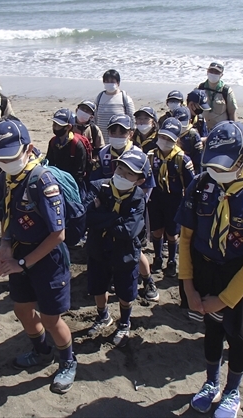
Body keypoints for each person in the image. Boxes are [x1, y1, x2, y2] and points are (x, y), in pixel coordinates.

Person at [176, 121, 243, 418]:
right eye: (212, 165)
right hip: (205, 272)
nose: (217, 172)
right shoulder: (200, 184)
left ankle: (232, 388)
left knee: (239, 337)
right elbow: (185, 237)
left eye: (224, 166)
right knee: (211, 330)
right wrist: (188, 286)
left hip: (241, 278)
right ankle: (211, 382)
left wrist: (223, 299)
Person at [0, 120, 77, 395]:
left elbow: (58, 234)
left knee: (51, 319)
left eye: (11, 156)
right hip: (18, 251)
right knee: (22, 309)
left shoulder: (42, 181)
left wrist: (23, 263)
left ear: (28, 149)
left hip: (47, 257)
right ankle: (41, 350)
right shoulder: (6, 177)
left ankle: (68, 361)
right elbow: (6, 214)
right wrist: (5, 242)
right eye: (0, 158)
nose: (5, 162)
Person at [90, 114, 158, 302]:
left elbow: (148, 184)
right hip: (108, 204)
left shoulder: (138, 155)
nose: (117, 134)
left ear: (130, 133)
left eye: (122, 131)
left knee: (135, 248)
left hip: (131, 204)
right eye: (113, 131)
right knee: (110, 246)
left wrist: (135, 201)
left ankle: (148, 279)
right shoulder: (104, 153)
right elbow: (97, 182)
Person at [85, 149, 149, 347]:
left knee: (125, 293)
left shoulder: (138, 198)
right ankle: (103, 315)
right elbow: (87, 217)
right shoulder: (99, 186)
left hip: (125, 253)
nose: (121, 174)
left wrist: (102, 215)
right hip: (98, 249)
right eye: (120, 168)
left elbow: (129, 231)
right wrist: (115, 219)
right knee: (98, 287)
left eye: (129, 173)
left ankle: (124, 322)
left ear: (139, 180)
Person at [148, 118, 195, 276]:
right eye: (162, 137)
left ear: (176, 140)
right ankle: (158, 257)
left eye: (169, 139)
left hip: (174, 200)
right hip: (155, 198)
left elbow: (190, 185)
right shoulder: (151, 156)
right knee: (156, 231)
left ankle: (172, 260)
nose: (164, 141)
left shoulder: (182, 159)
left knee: (172, 233)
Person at [46, 108, 88, 190]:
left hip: (73, 183)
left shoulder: (77, 144)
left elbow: (80, 171)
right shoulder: (53, 141)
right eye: (54, 123)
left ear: (68, 127)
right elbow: (49, 161)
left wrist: (68, 184)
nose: (54, 126)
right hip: (56, 179)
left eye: (58, 125)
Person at [94, 69, 135, 142]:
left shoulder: (125, 98)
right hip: (101, 140)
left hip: (119, 141)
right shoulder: (99, 97)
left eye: (112, 81)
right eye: (107, 81)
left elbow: (132, 119)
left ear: (118, 83)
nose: (109, 83)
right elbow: (94, 118)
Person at [197, 62, 238, 130]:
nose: (213, 74)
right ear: (207, 72)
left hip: (221, 129)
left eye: (216, 72)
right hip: (202, 128)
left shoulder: (226, 91)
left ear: (221, 75)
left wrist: (234, 129)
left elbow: (232, 113)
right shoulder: (200, 88)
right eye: (211, 71)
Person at [174, 106, 204, 174]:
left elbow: (199, 160)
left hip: (190, 168)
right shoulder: (171, 134)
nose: (181, 126)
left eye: (183, 123)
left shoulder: (193, 135)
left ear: (190, 121)